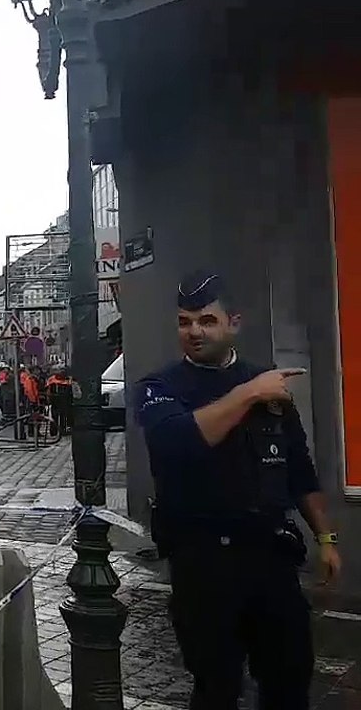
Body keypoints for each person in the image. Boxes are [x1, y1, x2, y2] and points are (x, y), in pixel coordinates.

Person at [135, 271, 340, 709]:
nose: (194, 332)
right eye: (184, 322)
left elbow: (299, 470)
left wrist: (325, 538)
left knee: (289, 679)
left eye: (207, 320)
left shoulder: (266, 385)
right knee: (217, 687)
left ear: (234, 323)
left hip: (269, 556)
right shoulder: (160, 387)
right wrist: (247, 394)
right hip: (203, 562)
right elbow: (178, 442)